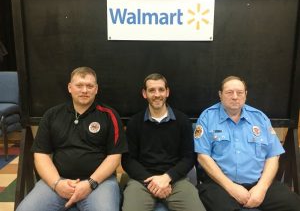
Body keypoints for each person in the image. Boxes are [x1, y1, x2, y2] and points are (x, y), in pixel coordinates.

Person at [16, 67, 128, 211]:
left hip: (99, 183)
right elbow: (41, 154)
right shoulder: (52, 115)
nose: (84, 90)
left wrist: (90, 184)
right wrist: (57, 183)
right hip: (59, 181)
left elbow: (114, 157)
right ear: (70, 88)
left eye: (89, 86)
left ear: (96, 89)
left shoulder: (109, 115)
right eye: (79, 85)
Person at [194, 75, 300, 211]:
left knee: (294, 204)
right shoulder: (207, 117)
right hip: (220, 185)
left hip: (258, 184)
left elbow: (273, 155)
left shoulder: (260, 118)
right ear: (220, 95)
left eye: (239, 92)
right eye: (229, 92)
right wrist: (231, 188)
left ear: (246, 94)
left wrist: (261, 188)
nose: (235, 96)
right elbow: (203, 157)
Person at [121, 73, 206, 211]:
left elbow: (189, 158)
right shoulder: (134, 123)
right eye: (151, 90)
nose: (157, 94)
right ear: (144, 93)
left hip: (176, 181)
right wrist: (152, 182)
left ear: (167, 92)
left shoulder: (182, 121)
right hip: (142, 181)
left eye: (161, 90)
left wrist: (167, 178)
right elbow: (128, 160)